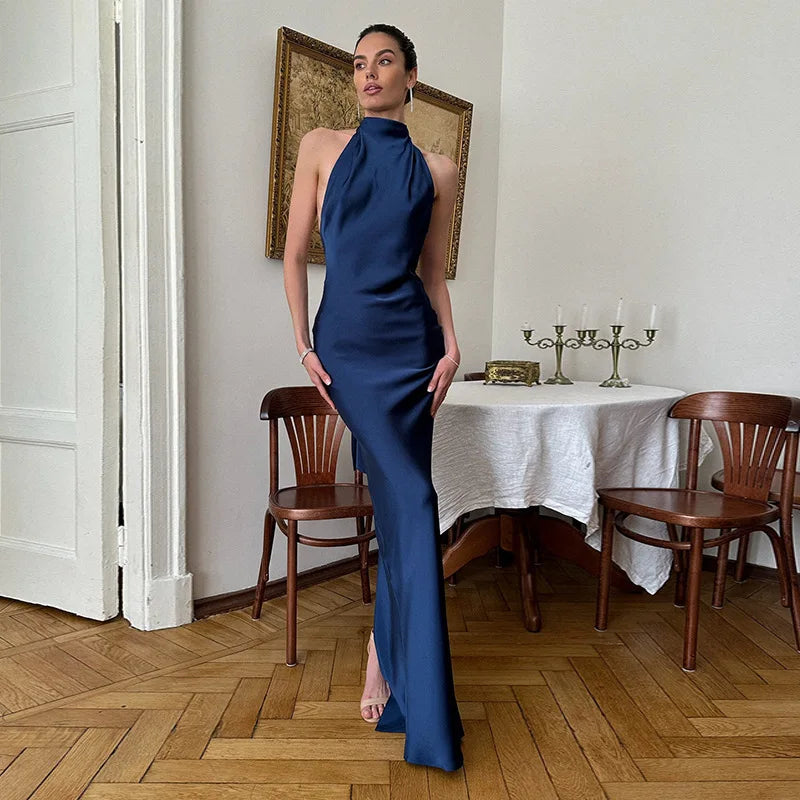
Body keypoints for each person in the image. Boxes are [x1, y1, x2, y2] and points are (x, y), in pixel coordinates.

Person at [281, 23, 464, 772]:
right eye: (359, 63)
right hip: (349, 350)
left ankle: (379, 659)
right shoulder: (321, 146)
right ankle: (404, 681)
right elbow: (296, 253)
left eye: (384, 61)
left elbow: (433, 272)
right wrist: (304, 345)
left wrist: (452, 345)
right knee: (415, 504)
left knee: (402, 506)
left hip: (413, 350)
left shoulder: (438, 168)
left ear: (410, 75)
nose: (368, 73)